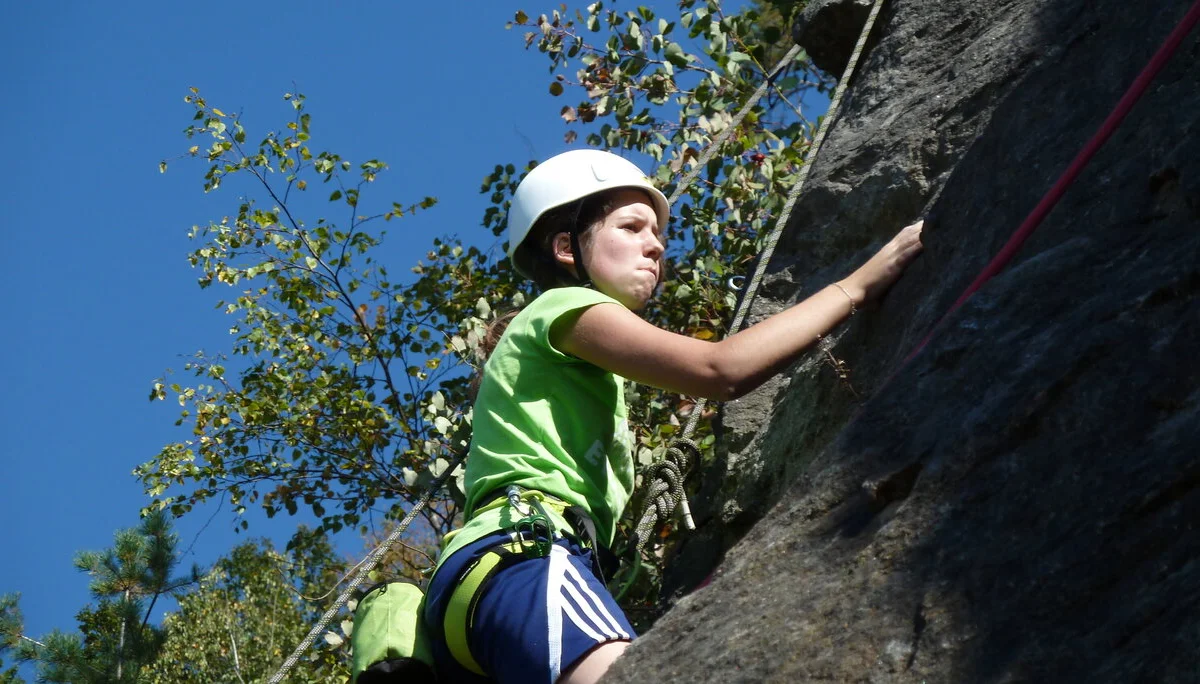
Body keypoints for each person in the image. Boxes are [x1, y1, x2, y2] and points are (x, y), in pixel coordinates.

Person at [423, 149, 923, 684]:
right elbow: (720, 368)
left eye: (657, 231)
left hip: (478, 598)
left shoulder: (557, 359)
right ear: (567, 247)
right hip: (527, 562)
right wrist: (861, 282)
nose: (657, 244)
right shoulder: (558, 308)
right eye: (631, 226)